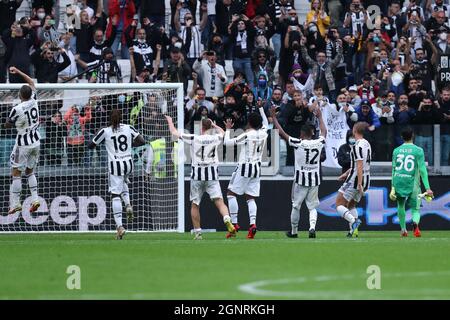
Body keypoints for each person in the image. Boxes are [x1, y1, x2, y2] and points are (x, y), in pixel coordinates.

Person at [165, 116, 236, 240]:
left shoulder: (194, 138)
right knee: (219, 202)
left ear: (201, 128)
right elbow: (223, 133)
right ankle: (227, 219)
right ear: (210, 127)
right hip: (212, 174)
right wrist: (215, 126)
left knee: (195, 204)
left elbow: (174, 133)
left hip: (197, 175)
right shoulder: (215, 138)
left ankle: (198, 233)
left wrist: (170, 121)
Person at [270, 105, 327, 238]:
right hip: (314, 178)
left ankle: (294, 231)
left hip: (301, 179)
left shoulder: (298, 142)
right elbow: (324, 132)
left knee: (296, 206)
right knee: (312, 207)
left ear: (302, 134)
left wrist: (273, 117)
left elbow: (282, 133)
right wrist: (320, 116)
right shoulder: (318, 142)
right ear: (311, 134)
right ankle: (312, 228)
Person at [88, 109, 146, 240]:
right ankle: (128, 204)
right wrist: (130, 144)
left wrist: (101, 140)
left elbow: (90, 145)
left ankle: (120, 226)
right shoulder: (128, 128)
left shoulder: (105, 131)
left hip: (115, 165)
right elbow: (142, 141)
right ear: (121, 118)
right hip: (128, 163)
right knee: (123, 182)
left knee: (115, 194)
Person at [223, 104, 269, 239]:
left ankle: (235, 223)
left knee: (231, 194)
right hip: (256, 169)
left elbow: (227, 143)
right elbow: (266, 123)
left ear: (249, 123)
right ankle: (252, 225)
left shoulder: (247, 135)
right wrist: (261, 109)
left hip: (244, 167)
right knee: (250, 198)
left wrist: (227, 130)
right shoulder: (264, 132)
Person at [3, 67, 40, 215]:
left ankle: (16, 203)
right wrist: (18, 71)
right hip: (36, 141)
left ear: (20, 95)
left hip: (22, 144)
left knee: (16, 172)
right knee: (30, 172)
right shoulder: (35, 100)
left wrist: (9, 122)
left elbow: (7, 124)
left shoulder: (16, 108)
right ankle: (35, 199)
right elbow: (31, 81)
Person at [390, 126, 434, 238]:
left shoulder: (396, 150)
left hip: (399, 180)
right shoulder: (418, 151)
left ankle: (403, 230)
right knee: (415, 209)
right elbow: (423, 170)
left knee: (400, 205)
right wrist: (428, 188)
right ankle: (415, 223)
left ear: (402, 137)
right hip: (412, 182)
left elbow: (393, 170)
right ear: (413, 136)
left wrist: (393, 187)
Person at [335, 122, 372, 238]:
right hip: (366, 178)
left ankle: (354, 222)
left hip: (356, 180)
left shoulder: (357, 145)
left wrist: (359, 183)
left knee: (339, 204)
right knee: (351, 205)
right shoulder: (367, 143)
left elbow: (359, 165)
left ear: (355, 130)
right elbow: (357, 165)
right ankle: (353, 231)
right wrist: (345, 174)